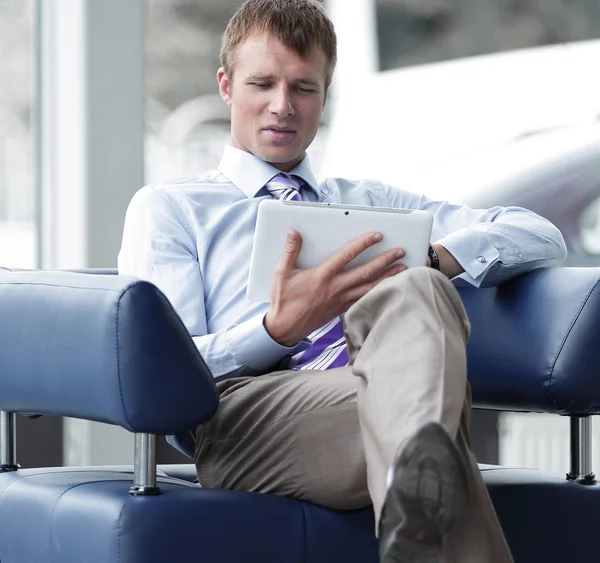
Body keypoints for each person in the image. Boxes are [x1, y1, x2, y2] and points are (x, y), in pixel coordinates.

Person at [118, 0, 567, 561]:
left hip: (380, 385)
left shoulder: (370, 202)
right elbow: (168, 374)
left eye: (303, 88)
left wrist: (434, 257)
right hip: (242, 416)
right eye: (263, 84)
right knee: (433, 416)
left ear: (324, 97)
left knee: (419, 289)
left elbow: (539, 233)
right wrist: (277, 328)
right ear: (226, 87)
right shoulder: (172, 209)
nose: (283, 106)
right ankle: (419, 462)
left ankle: (416, 492)